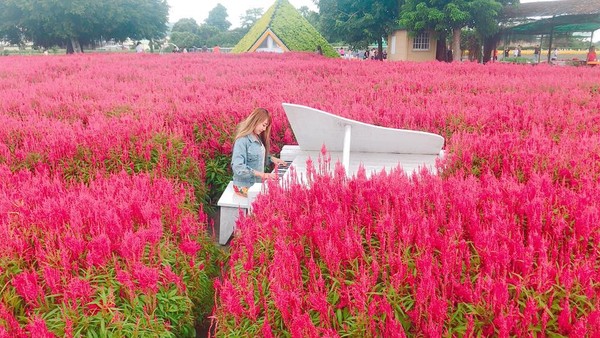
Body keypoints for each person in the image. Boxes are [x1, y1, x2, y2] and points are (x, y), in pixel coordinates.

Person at [231, 108, 287, 197]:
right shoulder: (242, 140)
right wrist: (263, 175)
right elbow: (238, 167)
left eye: (266, 126)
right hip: (244, 186)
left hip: (256, 183)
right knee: (274, 196)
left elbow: (257, 158)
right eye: (264, 125)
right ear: (256, 120)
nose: (264, 129)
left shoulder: (257, 137)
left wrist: (272, 159)